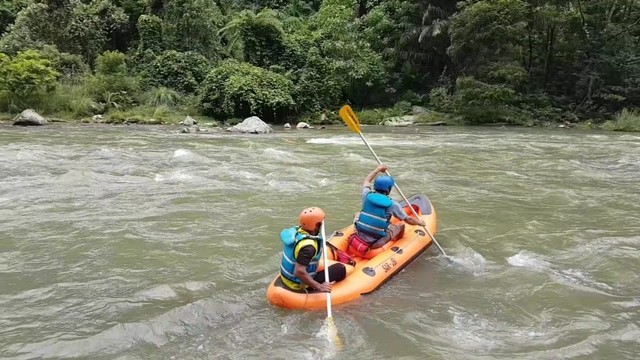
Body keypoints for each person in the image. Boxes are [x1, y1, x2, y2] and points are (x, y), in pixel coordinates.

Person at [349, 164, 425, 255]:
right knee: (401, 225)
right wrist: (420, 223)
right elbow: (408, 220)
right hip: (375, 243)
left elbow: (366, 180)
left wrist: (377, 169)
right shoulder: (393, 204)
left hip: (358, 234)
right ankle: (399, 243)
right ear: (388, 189)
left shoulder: (367, 195)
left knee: (357, 214)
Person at [279, 207, 346, 292]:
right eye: (321, 223)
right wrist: (319, 286)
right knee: (340, 269)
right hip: (298, 284)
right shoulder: (309, 248)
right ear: (316, 226)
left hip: (286, 279)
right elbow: (299, 272)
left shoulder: (296, 232)